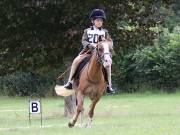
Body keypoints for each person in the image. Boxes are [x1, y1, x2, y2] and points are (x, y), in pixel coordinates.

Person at [64, 9, 115, 94]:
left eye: (101, 21)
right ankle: (70, 82)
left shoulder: (104, 32)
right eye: (98, 20)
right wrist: (91, 45)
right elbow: (84, 41)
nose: (99, 22)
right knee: (76, 60)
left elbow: (109, 41)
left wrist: (106, 42)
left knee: (108, 65)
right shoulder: (87, 31)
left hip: (100, 53)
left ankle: (109, 85)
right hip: (89, 52)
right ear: (93, 21)